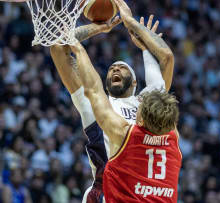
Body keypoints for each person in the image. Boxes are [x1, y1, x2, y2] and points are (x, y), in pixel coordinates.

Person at [50, 1, 174, 202]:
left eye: (122, 67)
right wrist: (98, 28)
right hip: (106, 191)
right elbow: (58, 48)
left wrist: (143, 39)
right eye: (111, 68)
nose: (115, 69)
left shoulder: (149, 105)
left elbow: (167, 60)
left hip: (143, 191)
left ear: (135, 82)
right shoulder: (96, 103)